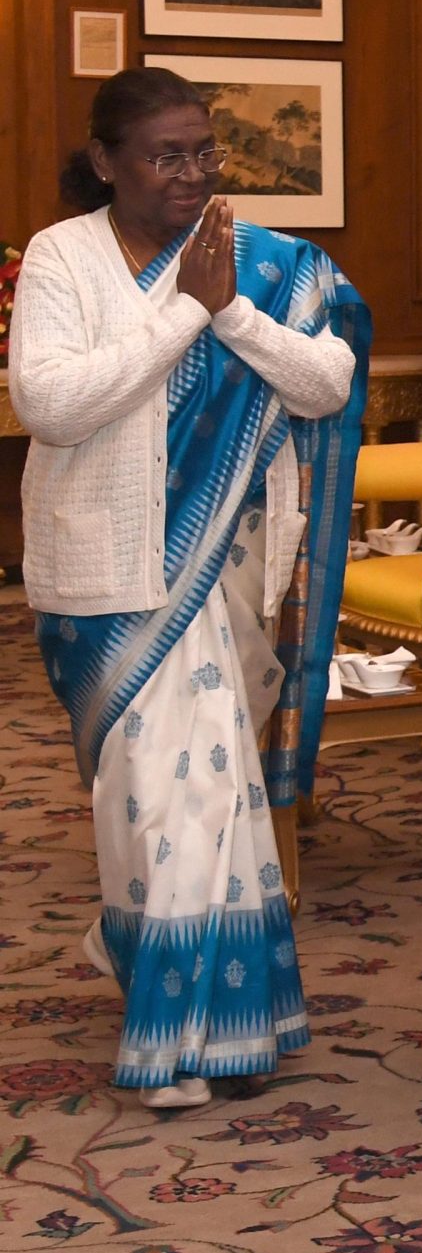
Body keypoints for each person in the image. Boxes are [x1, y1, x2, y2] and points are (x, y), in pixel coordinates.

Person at [11, 68, 368, 1109]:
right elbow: (51, 404)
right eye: (166, 155)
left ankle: (202, 1029)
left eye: (205, 152)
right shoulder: (62, 256)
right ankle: (168, 992)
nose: (192, 173)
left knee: (206, 790)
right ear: (105, 162)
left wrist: (234, 314)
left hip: (221, 572)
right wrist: (185, 315)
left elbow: (328, 384)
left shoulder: (253, 261)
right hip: (101, 572)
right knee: (143, 798)